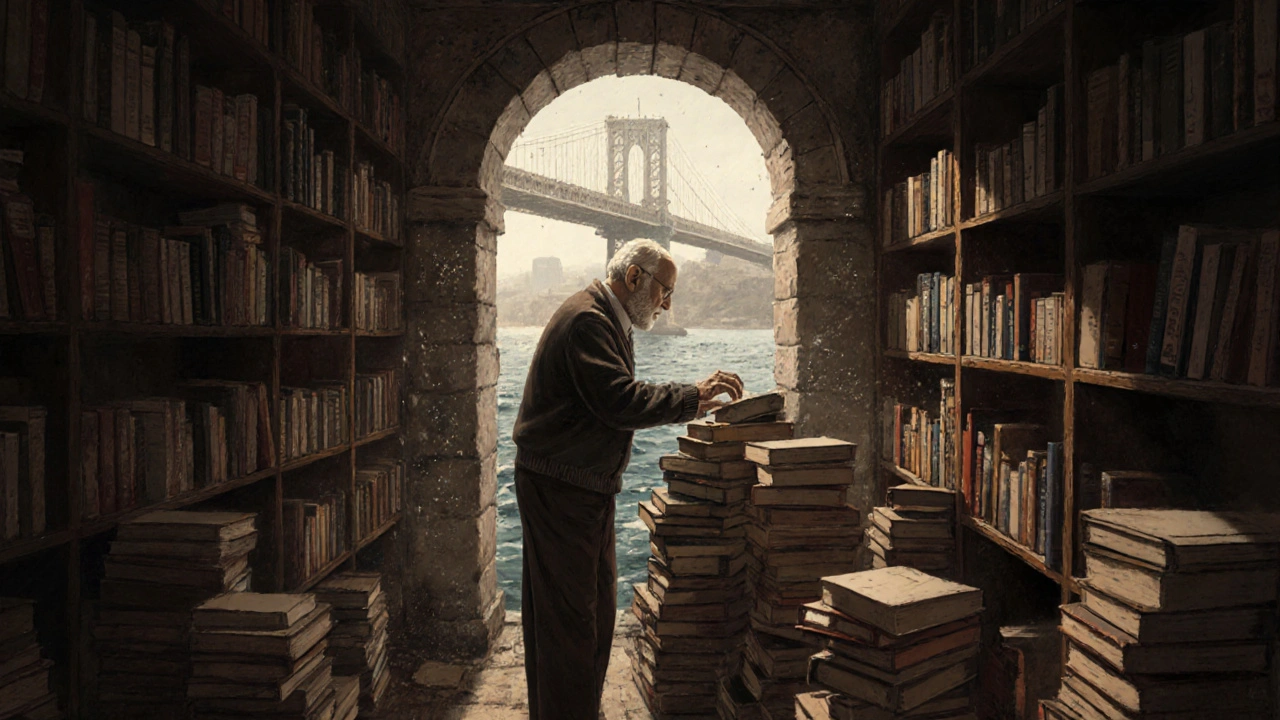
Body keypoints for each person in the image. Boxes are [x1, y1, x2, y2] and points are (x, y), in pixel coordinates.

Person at [511, 238, 744, 720]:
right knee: (571, 628)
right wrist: (693, 396)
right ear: (634, 277)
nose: (669, 304)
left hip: (580, 487)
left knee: (585, 620)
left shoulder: (606, 317)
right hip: (563, 491)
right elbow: (619, 401)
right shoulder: (587, 323)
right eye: (665, 291)